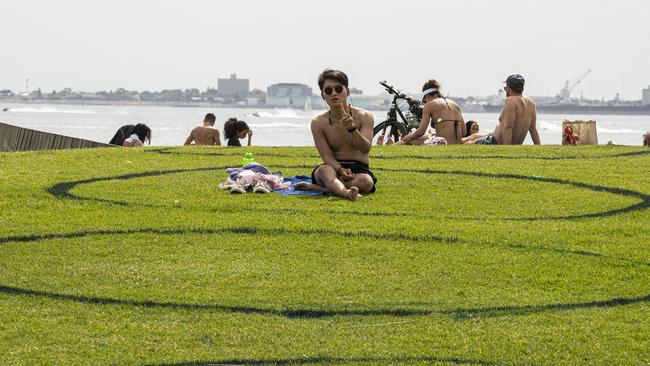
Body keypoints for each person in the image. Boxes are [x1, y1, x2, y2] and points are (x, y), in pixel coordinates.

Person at [305, 69, 376, 201]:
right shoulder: (318, 123)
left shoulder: (365, 116)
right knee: (324, 171)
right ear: (322, 95)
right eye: (328, 91)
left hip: (358, 169)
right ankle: (346, 193)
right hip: (332, 168)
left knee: (366, 181)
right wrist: (340, 169)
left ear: (347, 91)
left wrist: (352, 129)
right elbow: (326, 156)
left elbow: (365, 148)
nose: (334, 94)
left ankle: (325, 189)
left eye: (338, 89)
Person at [465, 74, 541, 145]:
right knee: (474, 137)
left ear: (509, 88)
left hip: (496, 141)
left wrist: (506, 148)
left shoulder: (511, 100)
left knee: (468, 144)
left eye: (505, 88)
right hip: (499, 138)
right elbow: (533, 129)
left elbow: (508, 126)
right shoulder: (531, 103)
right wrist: (538, 147)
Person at [399, 79, 466, 145]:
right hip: (458, 143)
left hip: (443, 143)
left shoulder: (429, 106)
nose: (425, 103)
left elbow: (421, 132)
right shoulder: (456, 105)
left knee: (411, 139)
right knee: (427, 136)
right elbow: (464, 132)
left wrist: (409, 136)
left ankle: (392, 146)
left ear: (427, 96)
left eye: (424, 100)